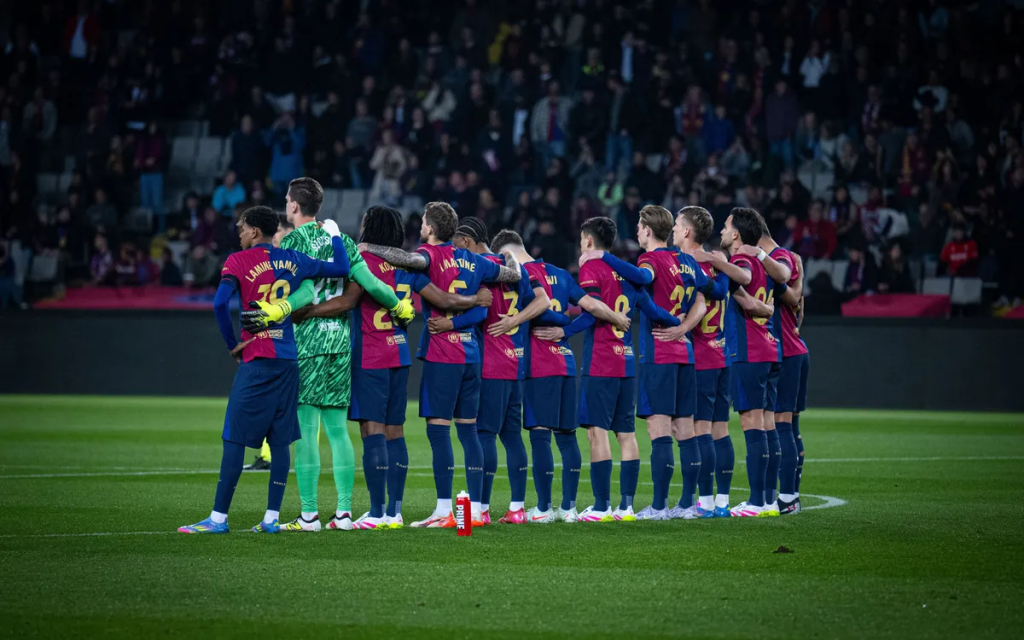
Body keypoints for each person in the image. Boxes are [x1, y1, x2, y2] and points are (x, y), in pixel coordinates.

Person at [279, 206, 486, 529]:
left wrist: (307, 311)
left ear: (370, 227)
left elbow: (348, 301)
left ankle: (376, 513)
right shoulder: (408, 264)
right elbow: (439, 297)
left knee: (371, 432)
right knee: (395, 432)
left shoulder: (364, 260)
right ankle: (394, 512)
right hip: (399, 354)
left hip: (371, 355)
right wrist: (474, 300)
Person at [240, 180, 415, 532]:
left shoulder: (293, 241)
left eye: (287, 200)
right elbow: (372, 284)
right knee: (337, 431)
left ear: (293, 206)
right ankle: (344, 514)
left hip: (307, 341)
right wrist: (400, 307)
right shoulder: (344, 241)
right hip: (341, 341)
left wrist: (277, 310)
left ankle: (309, 516)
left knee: (307, 431)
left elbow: (305, 292)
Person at [177, 205, 354, 534]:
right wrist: (334, 235)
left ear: (255, 231)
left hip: (257, 357)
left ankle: (218, 519)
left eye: (242, 227)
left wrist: (232, 343)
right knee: (280, 439)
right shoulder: (294, 259)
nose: (239, 233)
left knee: (234, 437)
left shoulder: (237, 261)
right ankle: (271, 518)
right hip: (288, 359)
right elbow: (342, 268)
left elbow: (219, 303)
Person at [358, 202, 523, 528]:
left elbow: (406, 259)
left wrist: (367, 247)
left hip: (443, 354)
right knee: (469, 432)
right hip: (472, 355)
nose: (421, 226)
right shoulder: (475, 260)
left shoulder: (428, 256)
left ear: (431, 228)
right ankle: (476, 510)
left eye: (423, 222)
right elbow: (513, 274)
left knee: (438, 432)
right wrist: (510, 254)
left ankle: (445, 510)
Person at [579, 206, 715, 521]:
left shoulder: (649, 259)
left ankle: (659, 506)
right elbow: (715, 291)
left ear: (648, 230)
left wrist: (604, 257)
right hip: (686, 353)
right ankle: (687, 504)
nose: (638, 232)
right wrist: (684, 327)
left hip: (660, 353)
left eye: (640, 227)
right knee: (686, 429)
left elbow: (643, 278)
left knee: (659, 428)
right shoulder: (687, 261)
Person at [537, 217, 669, 523]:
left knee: (597, 432)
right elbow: (653, 310)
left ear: (587, 240)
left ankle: (601, 507)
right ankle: (626, 507)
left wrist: (564, 331)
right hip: (627, 361)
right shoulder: (629, 273)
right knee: (626, 434)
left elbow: (591, 312)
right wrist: (680, 325)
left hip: (601, 361)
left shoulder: (591, 268)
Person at [493, 229, 628, 524]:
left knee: (540, 436)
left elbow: (531, 310)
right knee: (567, 438)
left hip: (538, 363)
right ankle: (568, 509)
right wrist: (569, 330)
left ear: (506, 254)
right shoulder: (560, 274)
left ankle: (543, 509)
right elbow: (591, 308)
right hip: (566, 362)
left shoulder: (519, 275)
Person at [450, 218, 551, 524]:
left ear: (466, 241)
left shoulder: (480, 268)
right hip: (515, 362)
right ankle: (517, 509)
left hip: (491, 363)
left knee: (485, 435)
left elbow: (478, 311)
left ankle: (480, 509)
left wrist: (449, 321)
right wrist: (516, 320)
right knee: (512, 437)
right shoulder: (513, 268)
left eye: (456, 244)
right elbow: (543, 301)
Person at [691, 208, 780, 517]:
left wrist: (712, 260)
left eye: (726, 226)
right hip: (768, 348)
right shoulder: (762, 262)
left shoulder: (742, 260)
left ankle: (756, 502)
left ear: (737, 234)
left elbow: (742, 283)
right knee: (766, 423)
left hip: (748, 349)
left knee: (751, 423)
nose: (722, 231)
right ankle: (768, 500)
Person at [673, 207, 737, 517]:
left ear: (687, 231)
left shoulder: (685, 264)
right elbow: (723, 290)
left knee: (699, 429)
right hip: (721, 353)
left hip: (700, 356)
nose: (673, 229)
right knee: (720, 430)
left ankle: (705, 502)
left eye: (676, 224)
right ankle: (722, 502)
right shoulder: (717, 261)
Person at [749, 218, 806, 515]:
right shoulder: (787, 257)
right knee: (790, 426)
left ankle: (786, 497)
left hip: (786, 351)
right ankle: (790, 495)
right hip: (793, 348)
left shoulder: (779, 257)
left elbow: (793, 296)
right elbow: (798, 304)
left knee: (782, 424)